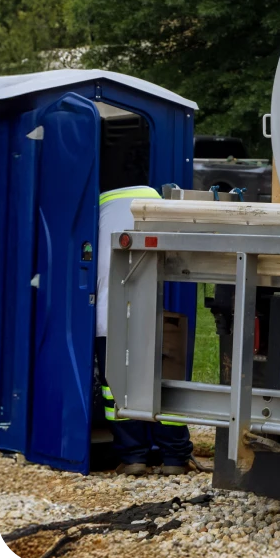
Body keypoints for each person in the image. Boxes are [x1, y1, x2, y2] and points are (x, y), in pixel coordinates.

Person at [94, 185, 196, 476]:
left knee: (114, 387)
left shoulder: (97, 212)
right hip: (153, 314)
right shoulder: (158, 205)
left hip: (107, 317)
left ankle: (133, 457)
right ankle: (175, 458)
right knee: (164, 383)